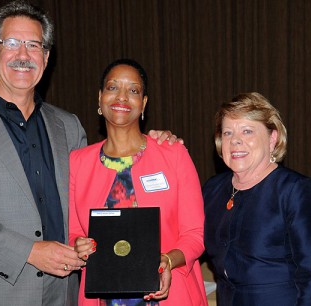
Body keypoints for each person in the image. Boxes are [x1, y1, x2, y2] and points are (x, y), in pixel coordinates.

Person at [0, 2, 177, 305]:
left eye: (34, 45)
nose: (23, 55)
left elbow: (93, 196)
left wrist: (152, 146)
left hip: (64, 292)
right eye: (12, 43)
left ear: (45, 58)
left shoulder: (68, 126)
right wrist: (30, 252)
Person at [68, 58, 208, 306]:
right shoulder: (78, 162)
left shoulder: (173, 154)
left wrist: (169, 259)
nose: (121, 97)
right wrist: (78, 245)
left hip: (168, 294)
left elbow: (196, 234)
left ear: (143, 103)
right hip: (102, 296)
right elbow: (74, 232)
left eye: (133, 90)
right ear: (100, 98)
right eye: (112, 88)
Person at [202, 92, 311, 305]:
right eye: (227, 133)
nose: (235, 140)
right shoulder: (213, 189)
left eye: (247, 131)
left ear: (272, 138)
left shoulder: (298, 191)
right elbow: (189, 239)